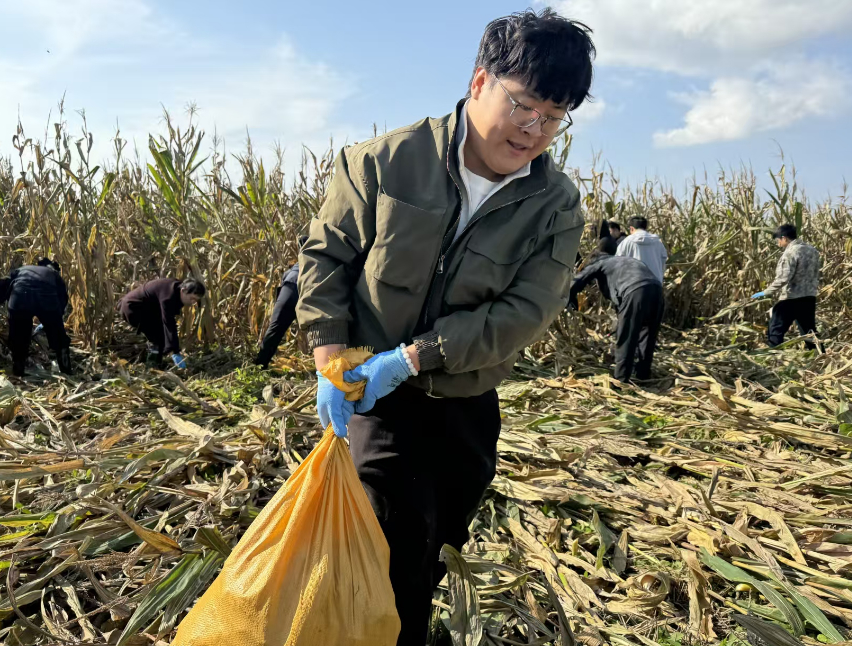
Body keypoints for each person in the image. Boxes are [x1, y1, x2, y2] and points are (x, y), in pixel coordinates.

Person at [296, 10, 594, 644]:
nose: (534, 130)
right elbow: (327, 258)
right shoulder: (383, 162)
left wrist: (413, 356)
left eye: (554, 117)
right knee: (396, 539)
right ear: (480, 80)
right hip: (377, 400)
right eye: (524, 106)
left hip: (464, 402)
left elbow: (528, 311)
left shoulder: (556, 203)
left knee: (438, 542)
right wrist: (330, 356)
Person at [570, 238, 664, 382]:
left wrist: (569, 299)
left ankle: (621, 380)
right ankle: (643, 375)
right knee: (647, 335)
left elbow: (579, 280)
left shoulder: (600, 263)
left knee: (626, 336)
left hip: (635, 291)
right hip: (657, 290)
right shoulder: (624, 260)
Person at [0, 258, 72, 377]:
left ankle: (18, 371)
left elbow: (1, 286)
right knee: (59, 337)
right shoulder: (54, 275)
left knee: (19, 337)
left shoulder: (21, 271)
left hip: (20, 298)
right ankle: (66, 371)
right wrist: (53, 320)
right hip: (46, 300)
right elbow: (62, 299)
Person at [752, 224, 821, 350]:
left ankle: (773, 355)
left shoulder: (790, 253)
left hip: (792, 297)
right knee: (809, 330)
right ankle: (820, 356)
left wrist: (766, 292)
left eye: (778, 240)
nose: (778, 243)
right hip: (809, 296)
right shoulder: (813, 250)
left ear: (784, 238)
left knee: (775, 328)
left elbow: (784, 278)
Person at [119, 277, 205, 368]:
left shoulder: (177, 289)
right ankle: (152, 365)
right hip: (133, 308)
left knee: (161, 334)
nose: (193, 302)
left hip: (148, 309)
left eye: (196, 300)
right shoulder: (168, 296)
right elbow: (169, 323)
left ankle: (157, 361)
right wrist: (175, 351)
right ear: (183, 290)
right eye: (192, 298)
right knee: (157, 335)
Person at [254, 236, 308, 368]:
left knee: (275, 329)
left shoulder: (297, 264)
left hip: (289, 291)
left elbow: (285, 278)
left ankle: (260, 363)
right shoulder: (317, 260)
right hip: (299, 292)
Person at [615, 216, 668, 283]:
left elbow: (618, 264)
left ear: (631, 228)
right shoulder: (658, 242)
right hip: (656, 284)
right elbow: (663, 263)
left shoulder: (626, 242)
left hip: (634, 286)